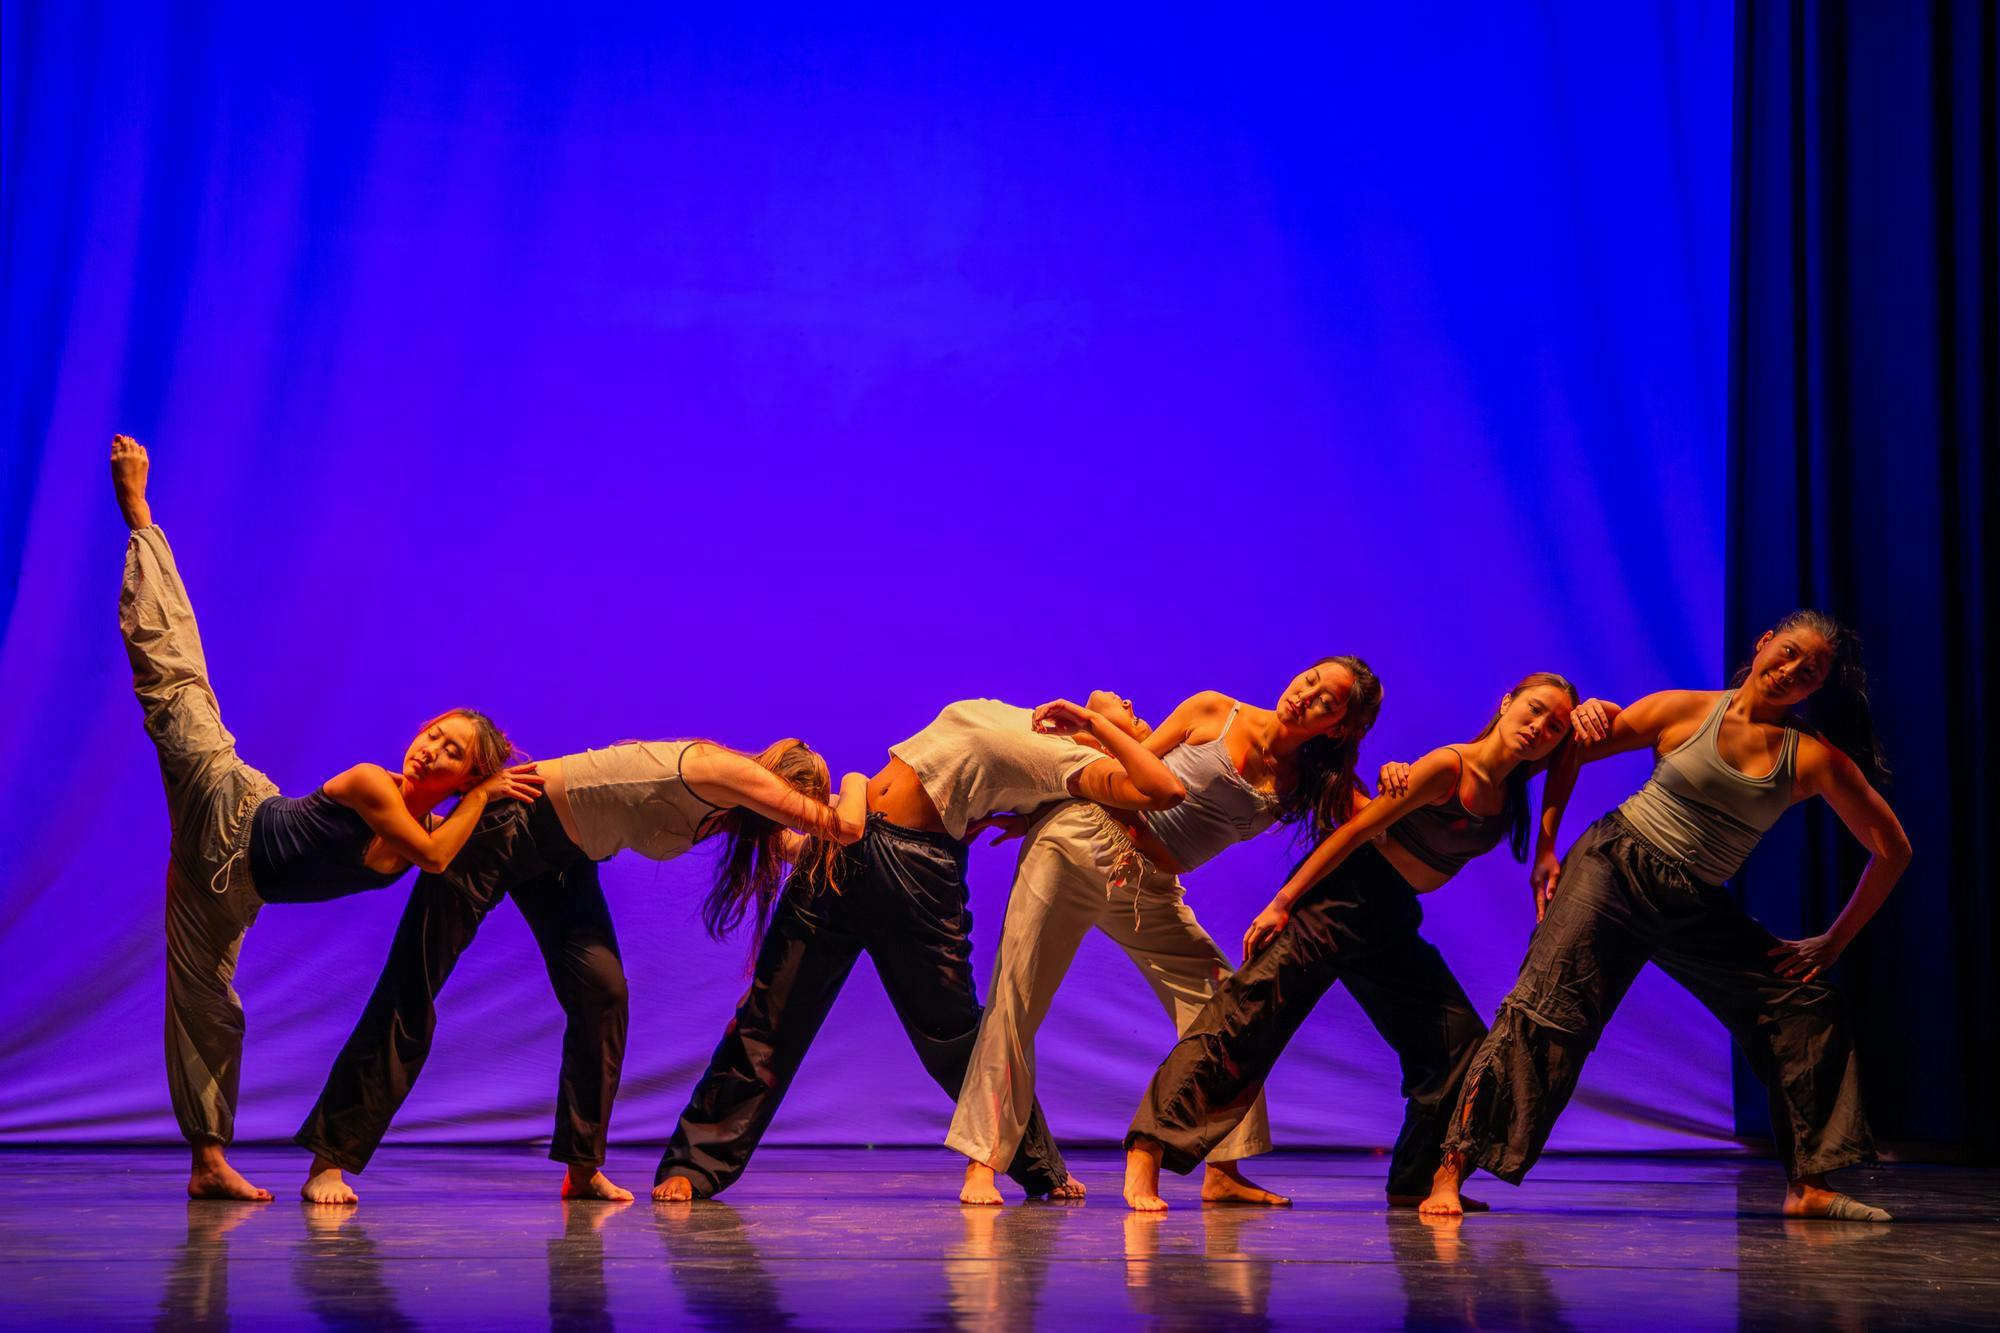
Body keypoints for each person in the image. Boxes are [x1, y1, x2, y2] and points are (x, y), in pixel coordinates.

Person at [110, 435, 539, 1200]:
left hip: (227, 888)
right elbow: (436, 857)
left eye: (449, 754)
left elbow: (443, 850)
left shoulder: (426, 826)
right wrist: (482, 793)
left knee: (209, 1010)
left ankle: (208, 1164)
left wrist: (503, 797)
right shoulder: (375, 784)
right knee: (176, 683)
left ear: (461, 773)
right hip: (228, 803)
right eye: (432, 733)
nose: (427, 749)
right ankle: (141, 516)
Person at [1419, 611, 1912, 1222]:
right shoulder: (1683, 710)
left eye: (1808, 672)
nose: (1789, 672)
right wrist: (1547, 843)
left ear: (1815, 688)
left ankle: (1808, 1186)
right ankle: (1449, 1172)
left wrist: (1835, 941)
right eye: (1786, 654)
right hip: (1614, 868)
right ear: (1763, 645)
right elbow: (1568, 747)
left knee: (1802, 1007)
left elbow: (1893, 850)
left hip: (1693, 898)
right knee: (1547, 1011)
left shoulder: (1812, 759)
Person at [654, 694, 1185, 1203]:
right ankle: (692, 1165)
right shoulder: (1019, 717)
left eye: (1133, 717)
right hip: (844, 842)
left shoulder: (1074, 760)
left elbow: (1161, 790)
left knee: (952, 1035)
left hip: (915, 873)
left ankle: (1038, 1165)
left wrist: (1097, 730)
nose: (1129, 702)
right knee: (767, 1020)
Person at [295, 737, 867, 1203]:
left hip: (562, 860)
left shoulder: (732, 814)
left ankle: (582, 1168)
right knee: (414, 984)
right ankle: (330, 1162)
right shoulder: (724, 769)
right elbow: (842, 826)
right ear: (777, 786)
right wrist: (859, 785)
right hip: (506, 826)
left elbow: (801, 846)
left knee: (603, 992)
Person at [1122, 673, 1582, 1210]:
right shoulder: (1447, 766)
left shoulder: (1512, 789)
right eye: (1533, 711)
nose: (1539, 728)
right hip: (1342, 898)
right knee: (1245, 1022)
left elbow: (1575, 753)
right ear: (1506, 703)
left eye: (1553, 726)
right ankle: (1147, 1155)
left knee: (1456, 1044)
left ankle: (1415, 1181)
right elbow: (1354, 832)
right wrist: (1283, 902)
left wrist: (1548, 843)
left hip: (1390, 916)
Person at [948, 660, 1383, 1205]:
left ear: (1340, 726)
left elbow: (1379, 817)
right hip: (1082, 843)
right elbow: (1129, 767)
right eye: (1311, 679)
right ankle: (982, 1163)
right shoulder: (1213, 711)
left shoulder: (1308, 784)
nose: (1306, 694)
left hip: (1151, 886)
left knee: (1223, 1000)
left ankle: (1222, 1167)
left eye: (1328, 700)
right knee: (1018, 996)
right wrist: (1037, 808)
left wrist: (1402, 777)